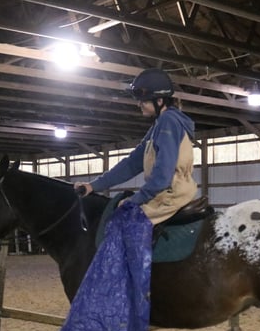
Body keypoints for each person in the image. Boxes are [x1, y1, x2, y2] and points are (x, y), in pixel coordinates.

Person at [73, 68, 198, 225]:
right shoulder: (159, 124)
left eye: (144, 101)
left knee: (120, 223)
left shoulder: (168, 122)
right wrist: (93, 186)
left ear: (159, 101)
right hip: (164, 194)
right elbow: (132, 163)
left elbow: (162, 176)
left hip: (171, 196)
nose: (139, 104)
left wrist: (136, 199)